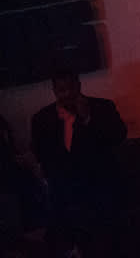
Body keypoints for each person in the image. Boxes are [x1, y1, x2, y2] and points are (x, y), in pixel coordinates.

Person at [31, 68, 127, 256]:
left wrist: (87, 119)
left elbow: (118, 136)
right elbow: (41, 154)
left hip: (100, 187)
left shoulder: (102, 108)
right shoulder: (42, 119)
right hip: (64, 193)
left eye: (71, 88)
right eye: (61, 90)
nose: (67, 94)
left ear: (79, 86)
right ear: (54, 91)